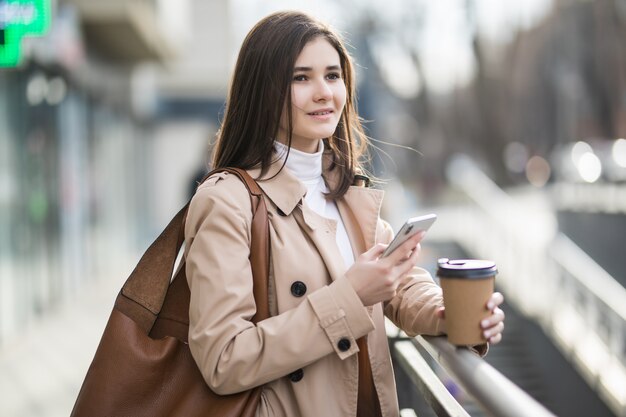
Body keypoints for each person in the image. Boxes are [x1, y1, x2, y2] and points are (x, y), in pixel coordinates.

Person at [183, 10, 505, 417]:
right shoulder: (227, 200)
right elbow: (223, 358)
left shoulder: (346, 191)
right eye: (301, 78)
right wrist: (350, 296)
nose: (324, 93)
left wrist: (450, 314)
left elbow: (400, 284)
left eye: (333, 76)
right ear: (262, 90)